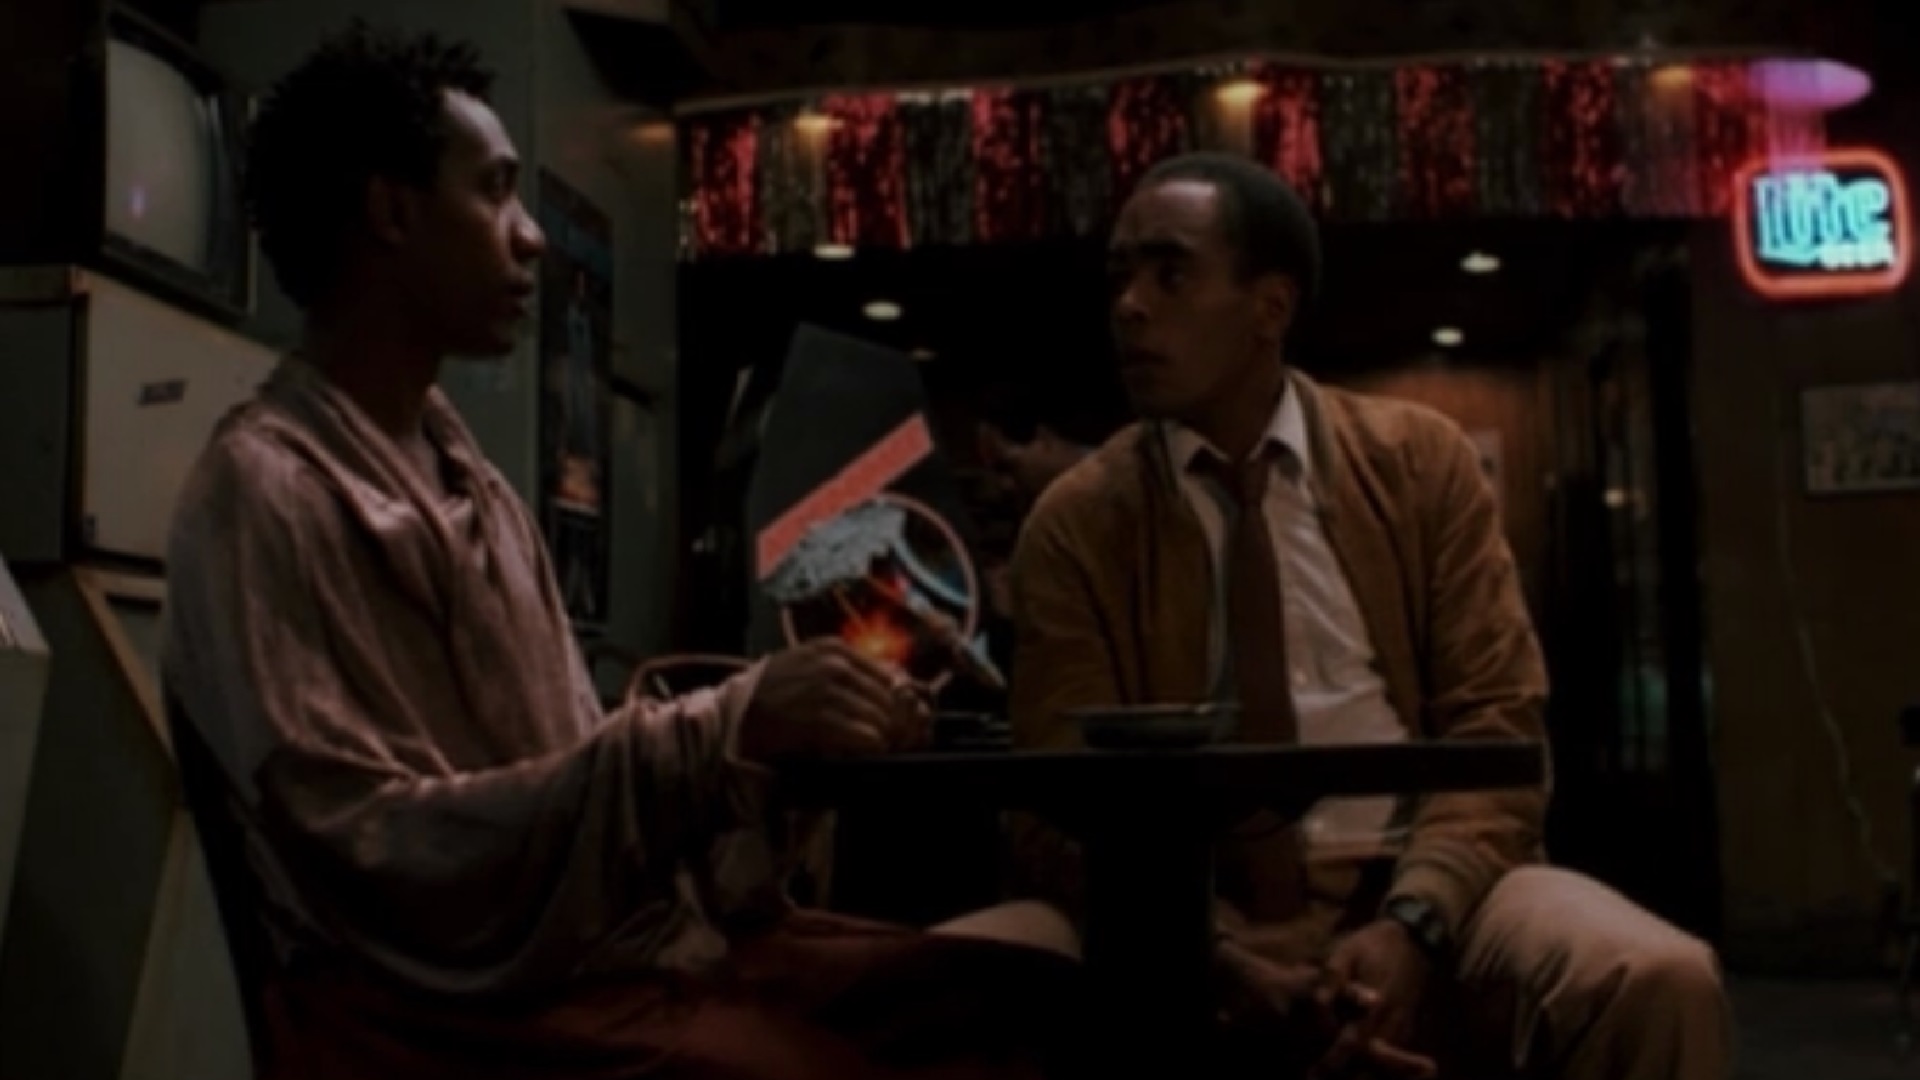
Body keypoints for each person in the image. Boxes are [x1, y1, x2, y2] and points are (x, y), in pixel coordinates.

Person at [162, 23, 1083, 1080]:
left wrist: (779, 748)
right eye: (495, 193)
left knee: (1028, 987)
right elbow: (372, 849)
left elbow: (574, 777)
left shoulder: (477, 486)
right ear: (392, 211)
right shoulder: (266, 490)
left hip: (607, 956)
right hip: (454, 1020)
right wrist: (721, 730)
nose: (530, 237)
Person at [1007, 153, 1732, 1078]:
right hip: (1186, 907)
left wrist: (1414, 925)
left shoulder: (1418, 463)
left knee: (1657, 977)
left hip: (1425, 883)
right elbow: (1055, 805)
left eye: (1170, 273)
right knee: (969, 970)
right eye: (1120, 276)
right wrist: (1215, 955)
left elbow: (1498, 729)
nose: (1130, 306)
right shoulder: (1078, 520)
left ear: (1270, 307)